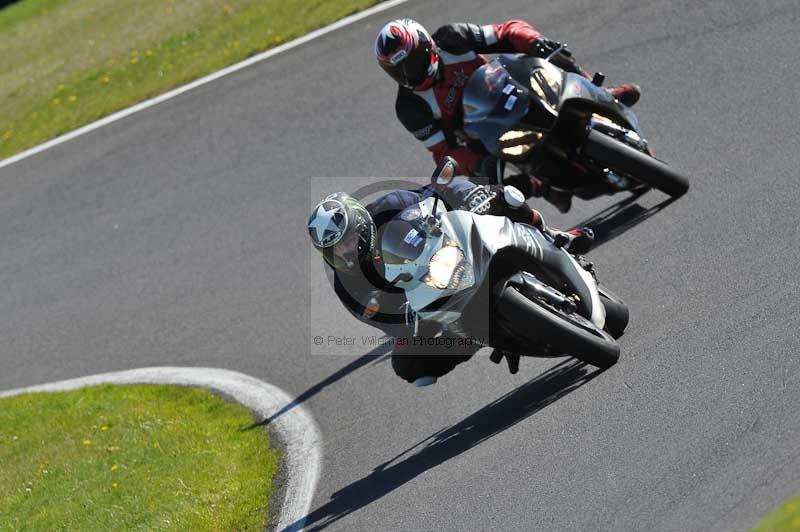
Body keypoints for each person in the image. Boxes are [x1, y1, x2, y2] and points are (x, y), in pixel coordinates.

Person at [307, 168, 594, 384]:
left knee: (495, 195)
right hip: (433, 298)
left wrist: (470, 198)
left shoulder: (390, 204)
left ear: (360, 221)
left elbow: (434, 196)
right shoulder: (348, 284)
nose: (344, 251)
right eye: (333, 249)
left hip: (454, 248)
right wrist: (403, 319)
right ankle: (478, 340)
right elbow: (379, 316)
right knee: (407, 365)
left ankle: (552, 234)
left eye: (346, 240)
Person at [374, 18, 641, 212]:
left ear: (427, 47)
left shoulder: (451, 38)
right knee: (487, 180)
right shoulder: (409, 107)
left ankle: (596, 91)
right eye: (399, 71)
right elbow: (442, 149)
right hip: (483, 133)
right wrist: (472, 163)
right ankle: (545, 187)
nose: (410, 74)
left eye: (413, 63)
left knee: (553, 55)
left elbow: (506, 31)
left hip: (509, 86)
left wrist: (535, 42)